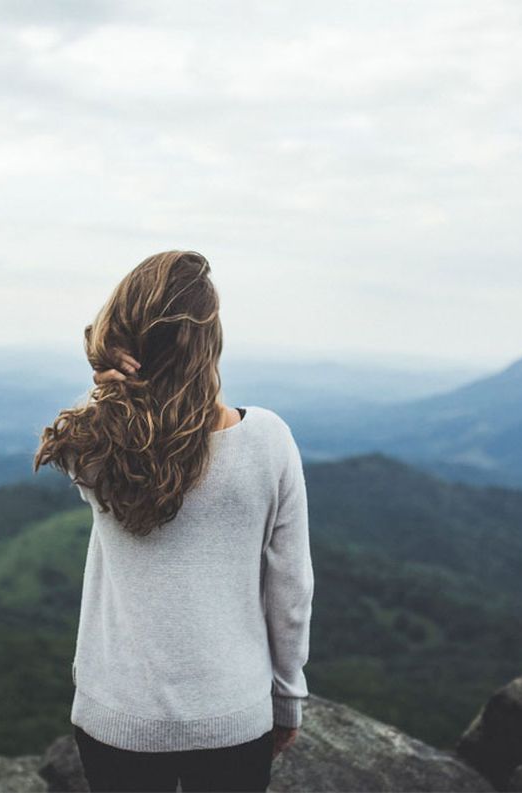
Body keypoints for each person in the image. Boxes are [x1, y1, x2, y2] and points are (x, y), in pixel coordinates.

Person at [34, 250, 314, 792]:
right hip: (234, 715)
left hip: (117, 716)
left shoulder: (95, 447)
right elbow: (291, 591)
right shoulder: (268, 442)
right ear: (211, 341)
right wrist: (287, 699)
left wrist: (102, 368)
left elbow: (99, 421)